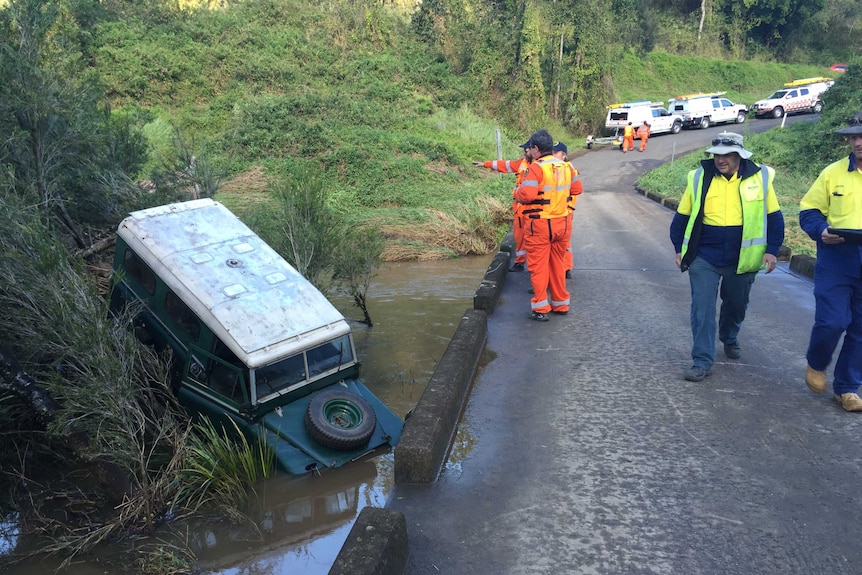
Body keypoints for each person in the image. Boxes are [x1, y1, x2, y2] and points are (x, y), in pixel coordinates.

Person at [669, 132, 785, 382]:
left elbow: (774, 217)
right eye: (716, 154)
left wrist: (772, 250)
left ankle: (729, 336)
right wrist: (679, 247)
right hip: (704, 255)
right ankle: (702, 360)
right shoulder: (699, 176)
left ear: (739, 155)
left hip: (742, 257)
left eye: (726, 155)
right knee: (702, 307)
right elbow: (681, 216)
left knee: (736, 303)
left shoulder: (759, 177)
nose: (720, 159)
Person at [799, 111, 862, 411]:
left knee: (861, 328)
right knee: (833, 320)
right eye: (854, 137)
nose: (859, 142)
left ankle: (847, 388)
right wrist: (820, 229)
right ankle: (816, 362)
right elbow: (808, 211)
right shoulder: (832, 173)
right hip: (837, 257)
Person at [514, 130, 578, 321]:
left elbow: (528, 195)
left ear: (536, 149)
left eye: (530, 148)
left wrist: (517, 192)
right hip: (563, 224)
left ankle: (541, 308)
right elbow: (577, 189)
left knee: (538, 267)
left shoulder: (537, 168)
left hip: (540, 225)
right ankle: (560, 304)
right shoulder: (567, 167)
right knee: (558, 264)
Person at [472, 141, 533, 272]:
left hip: (533, 209)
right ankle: (520, 263)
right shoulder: (522, 163)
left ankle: (538, 270)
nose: (524, 152)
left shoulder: (539, 166)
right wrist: (485, 164)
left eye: (526, 149)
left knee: (534, 239)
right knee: (519, 237)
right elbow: (506, 165)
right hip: (520, 208)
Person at [552, 141, 583, 279]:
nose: (552, 155)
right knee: (563, 243)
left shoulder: (566, 169)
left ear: (564, 155)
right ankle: (565, 268)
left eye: (555, 152)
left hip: (564, 212)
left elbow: (576, 190)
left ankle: (564, 269)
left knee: (561, 243)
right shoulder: (562, 167)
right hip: (563, 211)